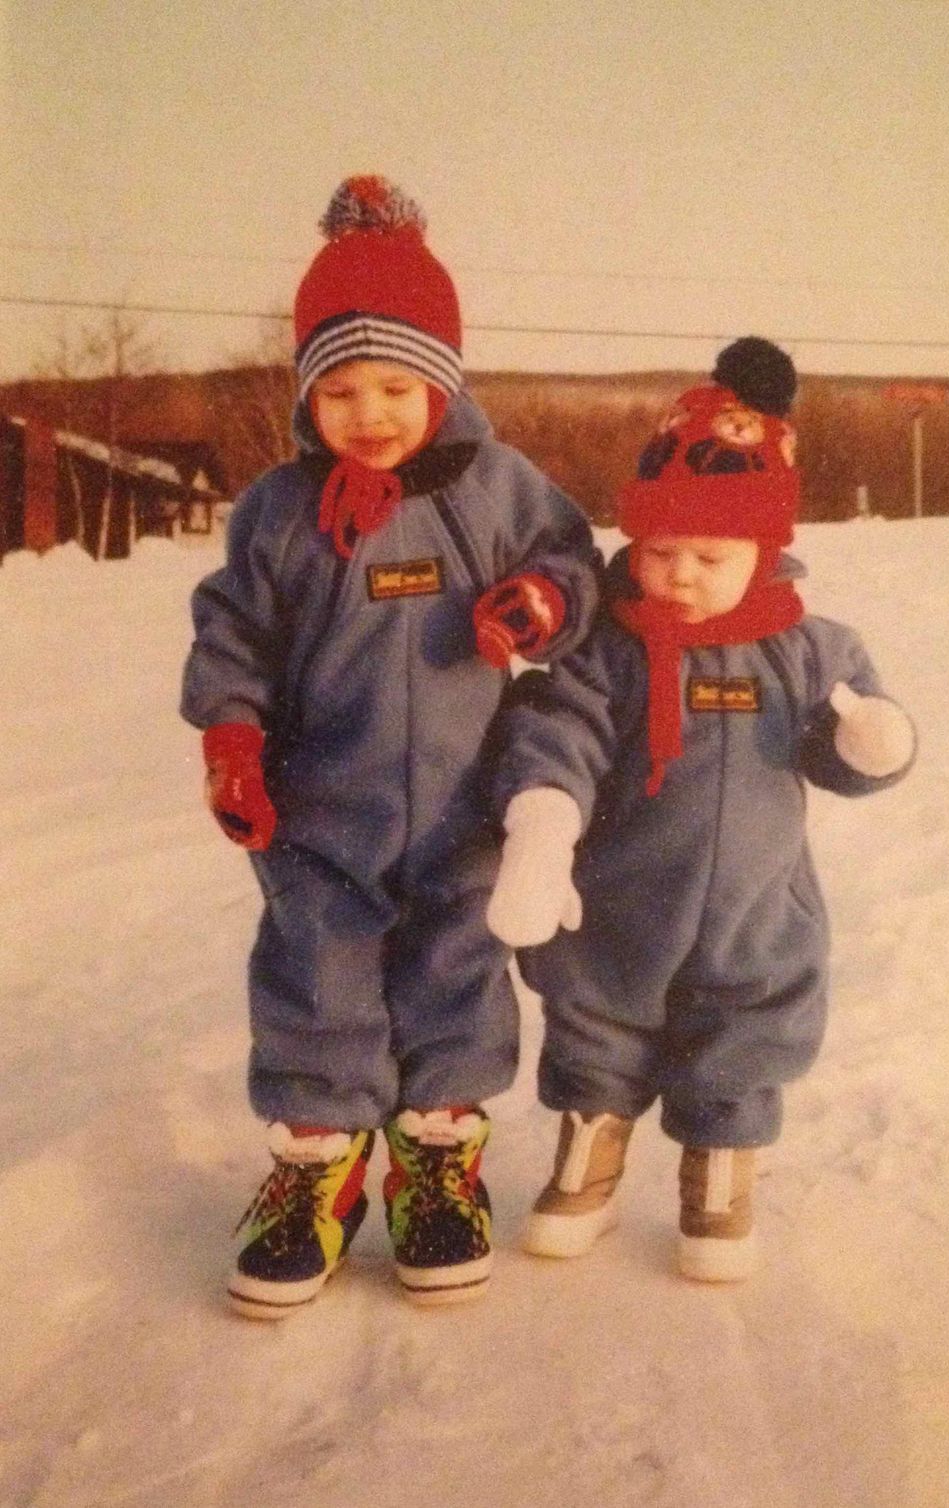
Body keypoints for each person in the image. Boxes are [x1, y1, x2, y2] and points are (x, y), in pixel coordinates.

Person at [181, 175, 599, 1316]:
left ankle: (436, 1156)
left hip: (466, 798)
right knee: (317, 978)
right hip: (319, 808)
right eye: (342, 388)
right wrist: (230, 738)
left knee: (455, 974)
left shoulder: (493, 485)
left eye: (396, 384)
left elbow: (574, 561)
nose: (370, 412)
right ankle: (319, 1167)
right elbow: (232, 632)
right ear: (309, 393)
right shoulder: (279, 511)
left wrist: (537, 604)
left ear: (441, 382)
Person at [486, 337, 915, 1282]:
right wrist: (546, 823)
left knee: (747, 1028)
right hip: (619, 900)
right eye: (658, 551)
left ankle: (720, 1171)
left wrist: (870, 745)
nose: (678, 574)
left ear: (764, 551)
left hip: (758, 907)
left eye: (708, 554)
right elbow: (560, 734)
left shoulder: (805, 650)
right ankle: (590, 1151)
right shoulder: (610, 649)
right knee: (597, 1020)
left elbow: (846, 747)